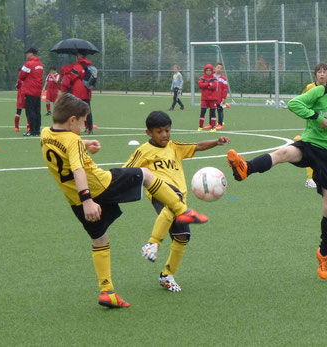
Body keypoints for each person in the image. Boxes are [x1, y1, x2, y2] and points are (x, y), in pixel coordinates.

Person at [40, 93, 209, 308]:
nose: (83, 127)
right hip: (100, 186)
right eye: (82, 122)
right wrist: (88, 201)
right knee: (145, 175)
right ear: (72, 120)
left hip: (74, 200)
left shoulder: (46, 133)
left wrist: (84, 144)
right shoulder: (72, 140)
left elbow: (65, 143)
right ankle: (180, 208)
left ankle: (107, 292)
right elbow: (77, 168)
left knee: (100, 240)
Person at [227, 60, 327, 280]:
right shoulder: (318, 93)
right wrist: (316, 117)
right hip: (310, 143)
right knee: (283, 153)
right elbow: (294, 104)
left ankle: (324, 253)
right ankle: (246, 168)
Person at [124, 111, 230, 292]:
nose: (165, 135)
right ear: (149, 133)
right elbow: (126, 170)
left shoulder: (174, 147)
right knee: (173, 200)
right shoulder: (143, 151)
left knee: (182, 237)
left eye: (167, 130)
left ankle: (167, 275)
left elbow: (197, 146)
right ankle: (152, 244)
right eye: (159, 131)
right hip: (159, 193)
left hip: (180, 201)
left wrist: (215, 142)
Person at [296, 62, 327, 188]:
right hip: (313, 123)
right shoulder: (310, 87)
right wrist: (311, 114)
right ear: (315, 75)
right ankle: (310, 179)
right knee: (311, 150)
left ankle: (322, 176)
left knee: (325, 151)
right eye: (319, 72)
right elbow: (302, 102)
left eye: (324, 71)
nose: (322, 74)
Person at [60, 51, 94, 134]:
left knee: (76, 110)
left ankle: (76, 129)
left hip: (78, 90)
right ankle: (90, 129)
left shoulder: (77, 66)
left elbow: (72, 78)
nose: (77, 56)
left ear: (80, 56)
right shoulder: (90, 66)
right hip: (87, 90)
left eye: (78, 55)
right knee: (88, 110)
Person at [16, 47, 43, 136]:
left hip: (30, 90)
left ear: (32, 54)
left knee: (30, 111)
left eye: (28, 53)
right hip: (38, 91)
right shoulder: (40, 64)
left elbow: (21, 76)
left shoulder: (28, 64)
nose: (27, 55)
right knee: (37, 111)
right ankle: (37, 130)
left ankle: (32, 130)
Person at [197, 64, 218, 132]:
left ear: (212, 71)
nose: (208, 72)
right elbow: (200, 85)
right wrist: (208, 84)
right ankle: (200, 126)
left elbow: (214, 86)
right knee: (202, 112)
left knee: (213, 112)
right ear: (205, 71)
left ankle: (213, 127)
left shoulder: (214, 78)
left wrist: (205, 85)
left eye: (209, 70)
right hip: (204, 98)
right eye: (207, 70)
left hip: (212, 99)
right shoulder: (202, 78)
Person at [213, 62, 228, 130]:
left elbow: (225, 89)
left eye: (221, 68)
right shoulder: (211, 77)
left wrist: (224, 98)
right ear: (215, 68)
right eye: (218, 68)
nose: (219, 69)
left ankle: (220, 124)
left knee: (220, 110)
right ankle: (212, 124)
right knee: (212, 110)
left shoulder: (223, 78)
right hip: (212, 97)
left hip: (219, 98)